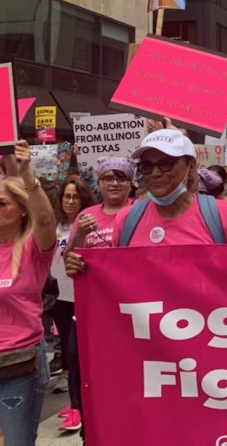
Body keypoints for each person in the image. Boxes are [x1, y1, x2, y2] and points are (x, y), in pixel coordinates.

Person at [65, 130, 227, 275]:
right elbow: (118, 278)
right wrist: (82, 267)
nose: (155, 173)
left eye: (166, 163)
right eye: (147, 166)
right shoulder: (127, 219)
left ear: (190, 166)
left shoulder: (224, 215)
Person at [61, 157, 134, 433]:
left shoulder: (140, 211)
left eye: (121, 177)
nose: (114, 183)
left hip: (131, 315)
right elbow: (69, 261)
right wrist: (79, 232)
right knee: (89, 373)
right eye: (108, 178)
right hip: (92, 314)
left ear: (130, 183)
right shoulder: (85, 215)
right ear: (99, 183)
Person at [0, 141, 56, 446]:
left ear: (22, 210)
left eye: (2, 203)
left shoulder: (33, 249)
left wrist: (26, 177)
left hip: (18, 368)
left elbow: (45, 220)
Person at [48, 176, 95, 420]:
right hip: (60, 297)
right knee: (66, 352)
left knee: (78, 353)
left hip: (83, 297)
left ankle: (81, 405)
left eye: (76, 196)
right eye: (67, 195)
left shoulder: (89, 224)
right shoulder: (55, 226)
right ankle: (74, 404)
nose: (70, 200)